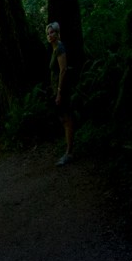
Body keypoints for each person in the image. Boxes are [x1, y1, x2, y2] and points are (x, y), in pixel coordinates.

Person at [46, 21, 75, 165]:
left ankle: (69, 153)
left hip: (62, 90)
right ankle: (68, 150)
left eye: (52, 32)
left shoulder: (60, 48)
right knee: (63, 119)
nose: (50, 35)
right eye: (48, 33)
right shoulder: (54, 48)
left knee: (67, 119)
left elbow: (63, 70)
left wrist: (59, 92)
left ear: (57, 33)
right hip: (58, 90)